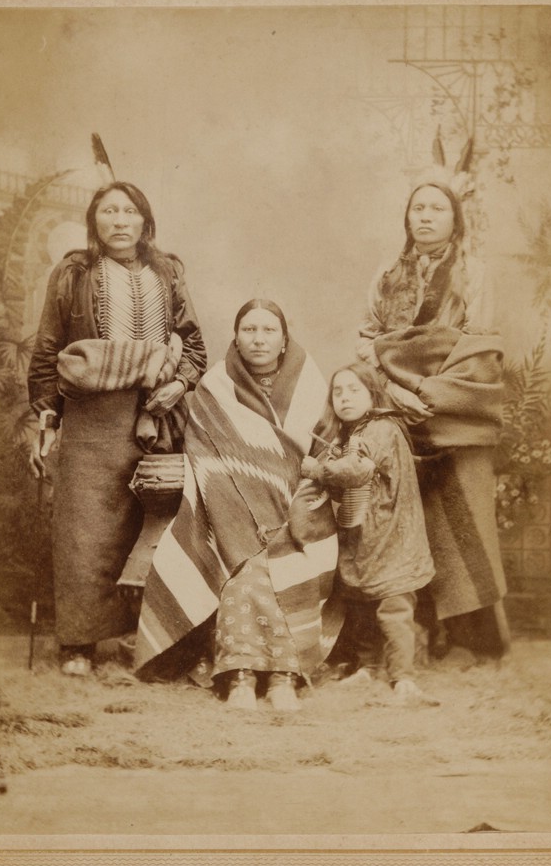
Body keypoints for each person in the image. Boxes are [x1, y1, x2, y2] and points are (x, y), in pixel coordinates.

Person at [28, 181, 207, 675]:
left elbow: (193, 346)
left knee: (151, 521)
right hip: (91, 412)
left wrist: (179, 386)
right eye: (109, 211)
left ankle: (144, 635)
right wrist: (46, 420)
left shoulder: (168, 270)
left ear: (145, 221)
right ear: (95, 221)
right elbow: (47, 349)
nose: (120, 221)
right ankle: (79, 644)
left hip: (158, 408)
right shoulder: (73, 272)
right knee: (85, 527)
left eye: (130, 211)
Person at [133, 299, 342, 711]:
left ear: (284, 340)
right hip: (227, 512)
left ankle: (284, 676)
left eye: (268, 331)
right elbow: (207, 459)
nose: (259, 339)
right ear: (236, 336)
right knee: (244, 573)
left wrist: (296, 503)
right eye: (249, 330)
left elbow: (327, 452)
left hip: (299, 514)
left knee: (288, 568)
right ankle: (240, 676)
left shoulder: (312, 384)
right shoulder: (215, 387)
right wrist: (238, 510)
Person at [357, 181, 510, 659]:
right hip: (396, 406)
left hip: (454, 410)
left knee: (462, 519)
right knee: (400, 518)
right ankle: (407, 638)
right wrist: (398, 388)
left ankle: (468, 640)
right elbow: (367, 343)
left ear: (454, 219)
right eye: (417, 208)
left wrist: (431, 390)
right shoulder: (385, 275)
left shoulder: (474, 273)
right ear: (407, 219)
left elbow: (477, 346)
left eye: (437, 209)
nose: (425, 216)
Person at [301, 362, 436, 702]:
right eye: (338, 392)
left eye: (354, 390)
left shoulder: (381, 428)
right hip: (366, 536)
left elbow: (356, 471)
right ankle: (368, 668)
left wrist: (317, 469)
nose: (345, 398)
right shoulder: (353, 433)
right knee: (360, 605)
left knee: (394, 607)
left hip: (394, 534)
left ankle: (403, 677)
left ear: (373, 394)